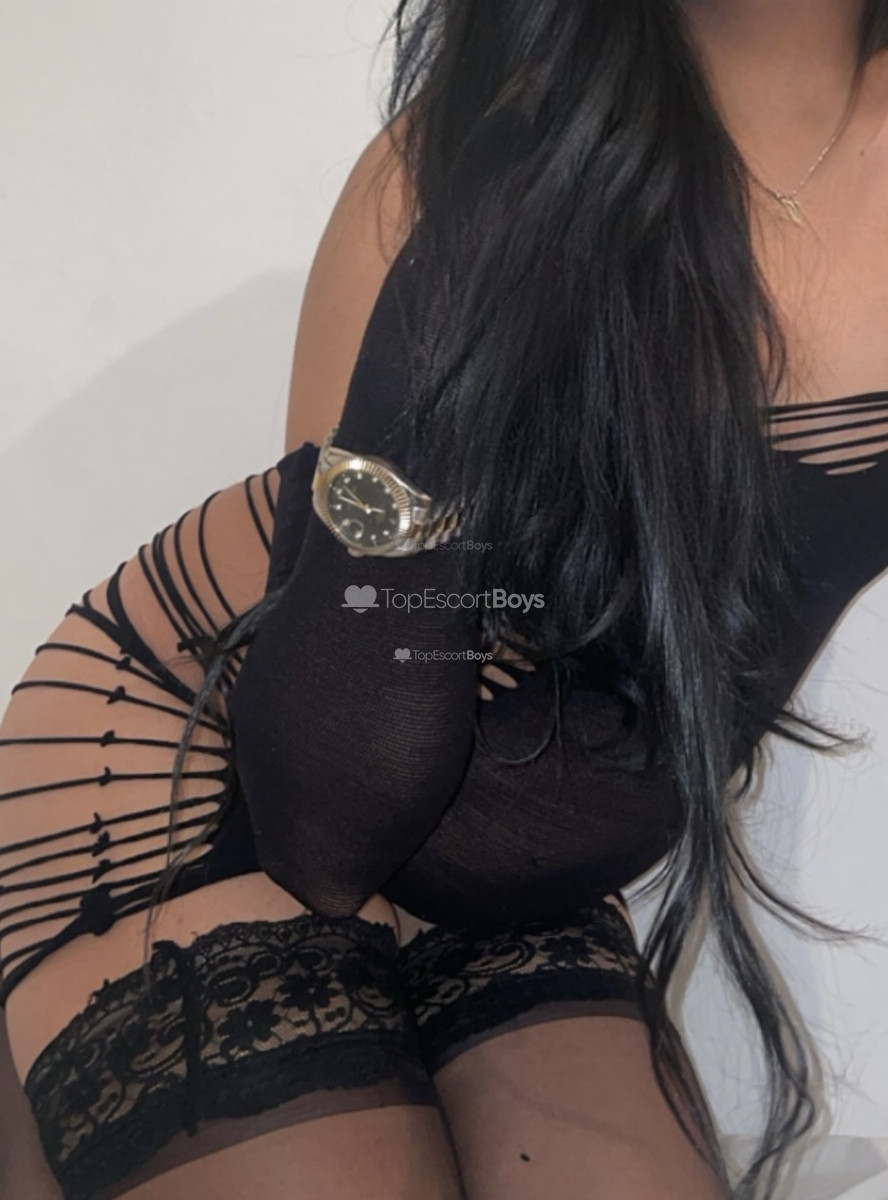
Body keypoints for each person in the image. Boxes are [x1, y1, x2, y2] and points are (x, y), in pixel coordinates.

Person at [2, 1, 888, 1197]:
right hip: (210, 753)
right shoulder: (453, 164)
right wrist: (466, 291)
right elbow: (324, 818)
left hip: (500, 833)